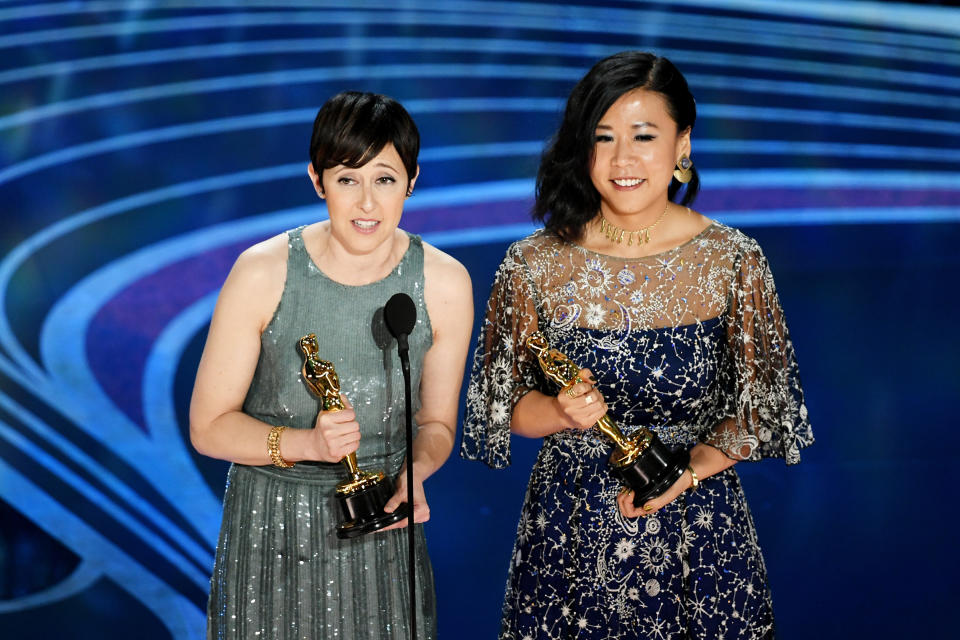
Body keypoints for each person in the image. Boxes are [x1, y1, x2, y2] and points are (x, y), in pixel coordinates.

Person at [462, 51, 813, 639]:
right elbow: (499, 408)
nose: (623, 159)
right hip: (568, 536)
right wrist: (557, 411)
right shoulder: (532, 265)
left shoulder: (732, 260)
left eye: (644, 136)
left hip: (698, 536)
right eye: (603, 138)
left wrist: (688, 472)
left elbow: (762, 414)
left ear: (681, 144)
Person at [190, 91, 473, 639]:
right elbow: (208, 426)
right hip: (272, 534)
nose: (367, 203)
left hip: (383, 534)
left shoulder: (444, 282)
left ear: (412, 181)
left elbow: (437, 425)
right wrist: (306, 447)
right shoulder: (262, 273)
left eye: (385, 180)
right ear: (317, 181)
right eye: (347, 179)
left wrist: (416, 471)